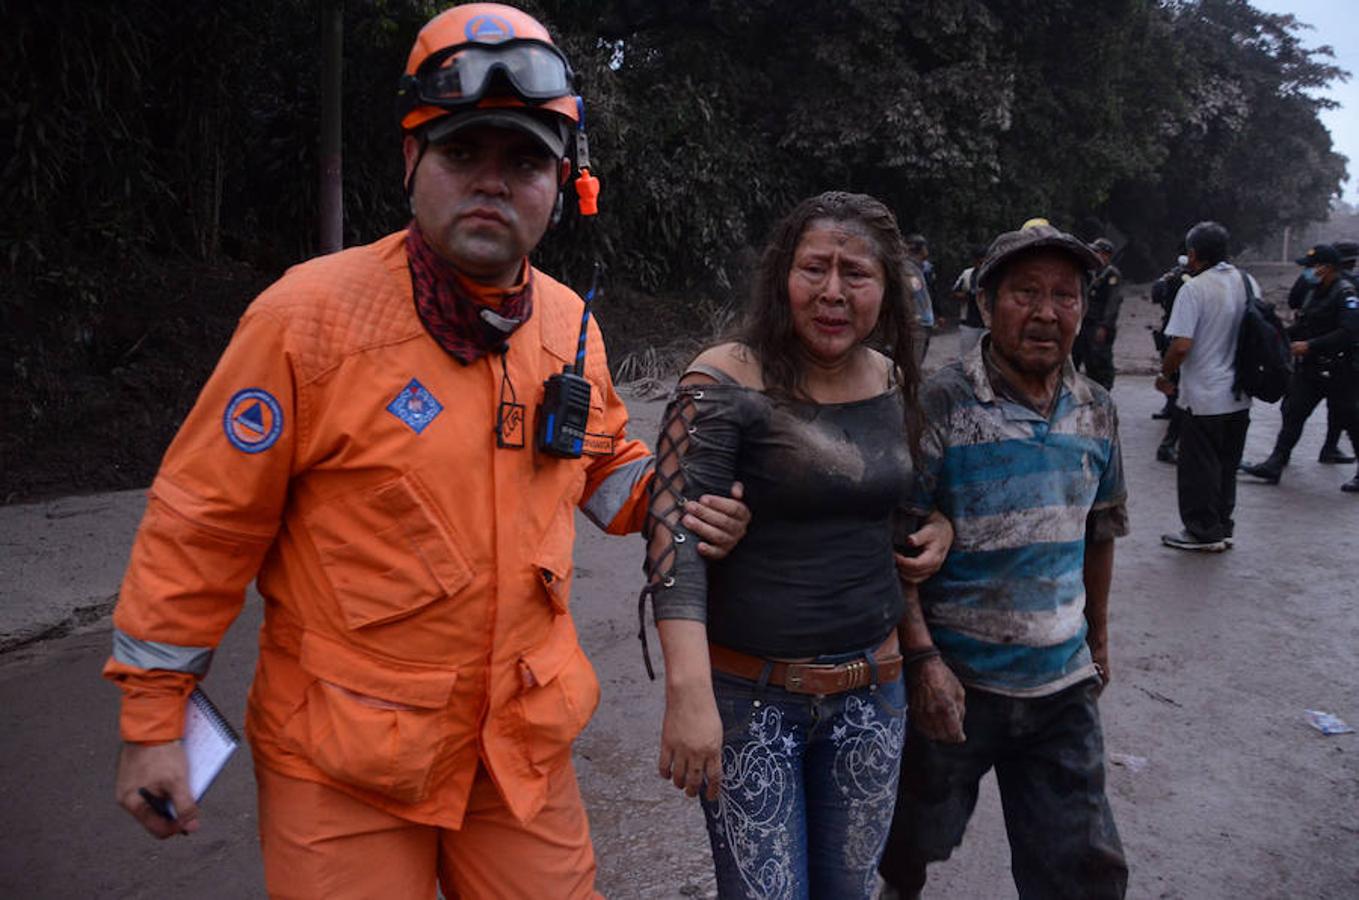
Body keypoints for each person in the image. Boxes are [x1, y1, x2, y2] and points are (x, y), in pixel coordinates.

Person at [102, 6, 756, 897]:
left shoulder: (568, 324)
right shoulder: (305, 322)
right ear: (412, 162)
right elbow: (202, 525)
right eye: (461, 155)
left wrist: (692, 493)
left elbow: (602, 470)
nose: (491, 184)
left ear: (563, 184)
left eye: (523, 161)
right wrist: (150, 721)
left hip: (517, 753)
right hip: (344, 767)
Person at [641, 192, 954, 898]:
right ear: (783, 274)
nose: (832, 292)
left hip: (873, 693)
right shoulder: (722, 378)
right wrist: (688, 696)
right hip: (751, 700)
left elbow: (895, 506)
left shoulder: (894, 379)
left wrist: (941, 529)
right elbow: (673, 536)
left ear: (890, 289)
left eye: (856, 274)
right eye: (814, 268)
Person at [878, 222, 1129, 899]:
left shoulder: (1098, 412)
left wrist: (1097, 637)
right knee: (905, 846)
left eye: (1065, 296)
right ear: (985, 304)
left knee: (1082, 872)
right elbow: (896, 541)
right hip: (957, 681)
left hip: (1061, 686)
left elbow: (1099, 531)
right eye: (1025, 292)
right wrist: (923, 663)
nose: (1047, 313)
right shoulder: (939, 403)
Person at [1156, 221, 1255, 551]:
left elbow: (1181, 345)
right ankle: (1222, 526)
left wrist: (1165, 374)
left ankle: (1201, 530)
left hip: (1204, 397)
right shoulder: (1247, 282)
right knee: (1227, 465)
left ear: (1193, 253)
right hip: (1239, 395)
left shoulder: (1194, 289)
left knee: (1199, 467)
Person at [1239, 243, 1359, 491]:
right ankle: (1275, 463)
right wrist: (1279, 334)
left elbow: (1348, 333)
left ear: (1325, 268)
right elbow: (1305, 324)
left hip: (1339, 370)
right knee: (1293, 412)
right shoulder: (1313, 291)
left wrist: (1311, 345)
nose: (1307, 272)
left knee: (1351, 420)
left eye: (1311, 267)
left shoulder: (1346, 294)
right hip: (1311, 369)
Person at [1149, 254, 1192, 463]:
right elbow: (1156, 296)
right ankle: (1169, 406)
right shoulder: (1174, 280)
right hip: (1173, 329)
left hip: (1181, 333)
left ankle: (1169, 442)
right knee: (1176, 380)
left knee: (1182, 390)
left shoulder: (1193, 284)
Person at [1071, 236, 1122, 389]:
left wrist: (1105, 326)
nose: (1094, 255)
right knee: (1075, 358)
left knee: (1099, 362)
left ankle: (1103, 392)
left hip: (1098, 324)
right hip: (1084, 323)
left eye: (1097, 252)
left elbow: (1112, 303)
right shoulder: (1088, 273)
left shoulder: (1111, 275)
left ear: (1106, 255)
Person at [951, 243, 989, 359]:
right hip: (969, 323)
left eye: (984, 262)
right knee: (966, 357)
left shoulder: (994, 274)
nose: (981, 265)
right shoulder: (967, 274)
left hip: (988, 323)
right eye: (979, 262)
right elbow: (954, 293)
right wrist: (969, 295)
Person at [904, 233, 937, 356]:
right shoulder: (908, 269)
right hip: (916, 323)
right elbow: (912, 292)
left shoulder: (922, 268)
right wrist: (914, 317)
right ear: (921, 249)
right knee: (913, 362)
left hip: (923, 322)